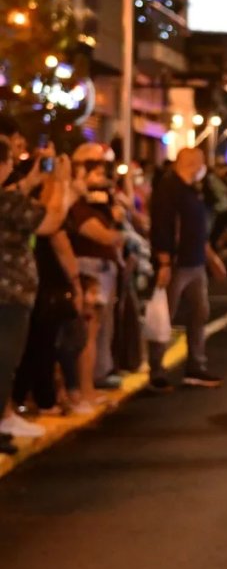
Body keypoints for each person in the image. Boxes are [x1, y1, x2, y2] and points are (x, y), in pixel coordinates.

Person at [0, 136, 78, 440]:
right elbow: (50, 221)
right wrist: (60, 183)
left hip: (11, 293)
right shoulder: (8, 202)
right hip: (9, 295)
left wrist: (33, 179)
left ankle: (6, 416)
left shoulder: (8, 197)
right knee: (6, 360)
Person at [148, 147, 227, 390]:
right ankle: (157, 370)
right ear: (191, 162)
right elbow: (161, 227)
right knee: (165, 316)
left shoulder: (192, 190)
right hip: (176, 264)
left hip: (195, 263)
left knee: (199, 313)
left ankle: (195, 366)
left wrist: (211, 257)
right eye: (201, 162)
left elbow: (197, 228)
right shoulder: (168, 189)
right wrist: (163, 262)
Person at [66, 144, 125, 399]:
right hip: (91, 270)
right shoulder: (75, 204)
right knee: (87, 332)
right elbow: (100, 235)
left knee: (98, 329)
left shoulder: (99, 202)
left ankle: (95, 379)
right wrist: (116, 235)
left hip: (102, 268)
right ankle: (84, 389)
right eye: (94, 168)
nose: (101, 176)